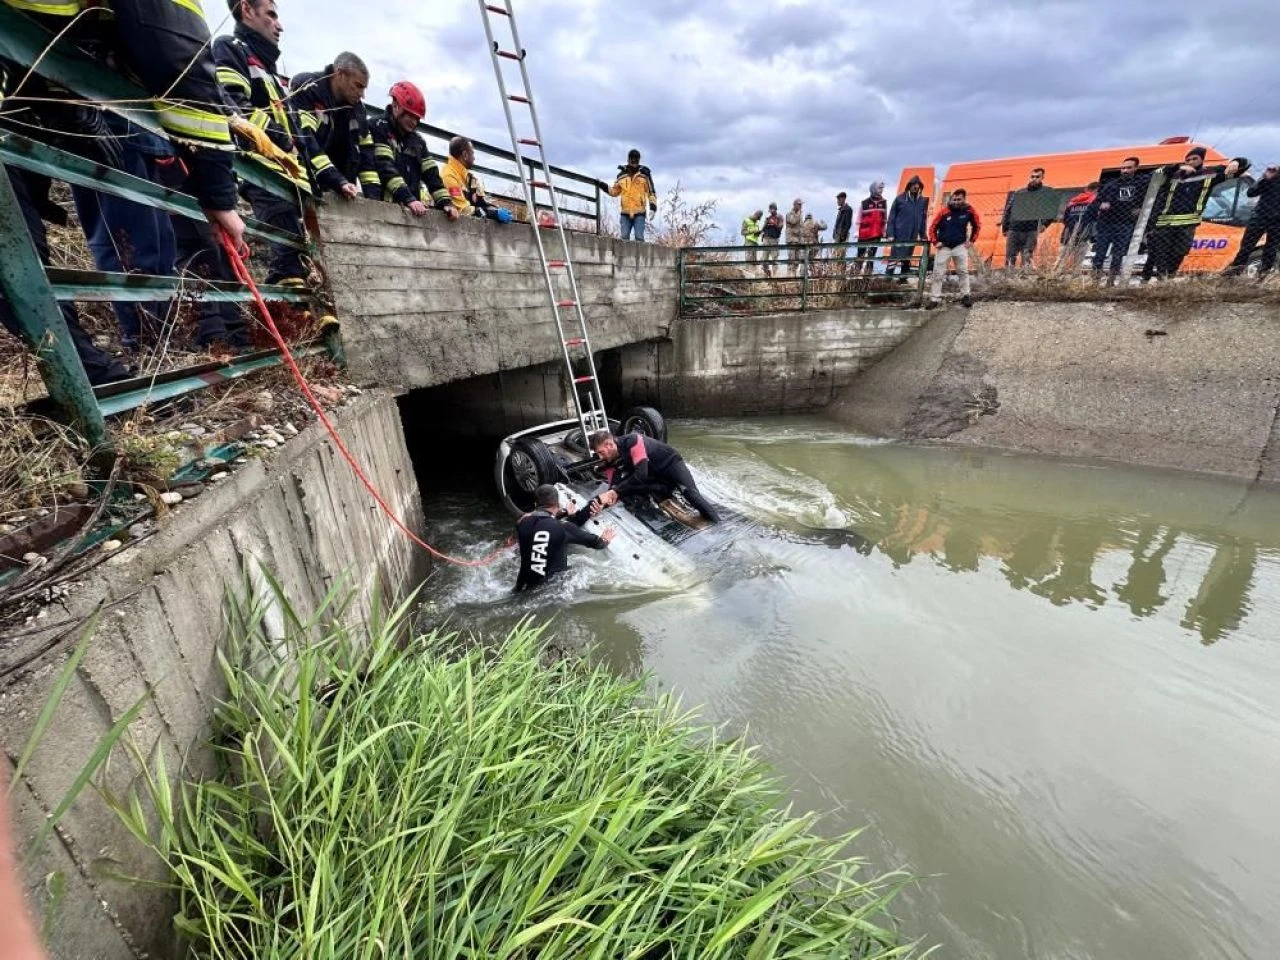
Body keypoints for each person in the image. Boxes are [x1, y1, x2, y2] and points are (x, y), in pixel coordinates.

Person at [0, 0, 245, 372]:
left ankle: (121, 363)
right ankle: (121, 362)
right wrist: (220, 197)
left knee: (154, 247)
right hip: (82, 95)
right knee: (126, 245)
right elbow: (179, 57)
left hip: (58, 88)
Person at [215, 0, 312, 286]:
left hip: (286, 172)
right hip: (261, 169)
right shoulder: (231, 48)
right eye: (271, 15)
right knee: (288, 256)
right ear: (247, 9)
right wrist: (283, 143)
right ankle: (293, 320)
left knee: (297, 253)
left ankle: (295, 319)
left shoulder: (268, 68)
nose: (279, 25)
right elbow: (237, 108)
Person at [1142, 147, 1248, 282]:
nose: (1191, 162)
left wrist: (1237, 162)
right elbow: (1153, 176)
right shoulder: (1173, 175)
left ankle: (1168, 275)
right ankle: (1163, 280)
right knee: (1161, 253)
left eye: (1194, 159)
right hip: (1164, 222)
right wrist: (1176, 168)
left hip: (1188, 223)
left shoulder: (1210, 174)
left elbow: (1242, 167)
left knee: (1180, 252)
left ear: (1202, 160)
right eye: (1188, 160)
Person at [291, 52, 381, 202]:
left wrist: (374, 200)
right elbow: (306, 140)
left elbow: (366, 158)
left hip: (342, 192)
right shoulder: (308, 87)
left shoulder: (357, 111)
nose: (362, 94)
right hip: (304, 185)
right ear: (339, 74)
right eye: (358, 86)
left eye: (364, 88)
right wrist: (338, 180)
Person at [370, 81, 459, 221]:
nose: (414, 122)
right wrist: (408, 198)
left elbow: (432, 175)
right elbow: (385, 167)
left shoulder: (418, 141)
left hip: (411, 211)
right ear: (395, 106)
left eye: (417, 118)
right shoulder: (378, 127)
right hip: (381, 209)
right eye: (410, 116)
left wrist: (445, 202)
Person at [589, 430, 720, 523]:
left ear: (609, 444)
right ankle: (663, 490)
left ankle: (718, 524)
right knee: (624, 489)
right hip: (656, 476)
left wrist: (615, 491)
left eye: (601, 452)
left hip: (670, 465)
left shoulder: (633, 440)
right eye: (598, 454)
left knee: (691, 495)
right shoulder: (610, 460)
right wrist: (603, 505)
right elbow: (613, 487)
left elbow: (641, 474)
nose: (600, 457)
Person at [514, 484, 615, 592]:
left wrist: (564, 513)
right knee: (579, 569)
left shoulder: (522, 523)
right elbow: (597, 544)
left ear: (535, 504)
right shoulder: (564, 527)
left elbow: (543, 522)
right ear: (557, 504)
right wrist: (605, 539)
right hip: (552, 590)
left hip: (522, 586)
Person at [1090, 156, 1148, 284]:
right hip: (1106, 223)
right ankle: (1095, 280)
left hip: (1125, 223)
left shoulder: (1141, 184)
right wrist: (1101, 205)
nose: (1125, 170)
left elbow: (1148, 201)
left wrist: (1140, 208)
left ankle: (1110, 281)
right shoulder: (1111, 185)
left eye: (1129, 168)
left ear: (1136, 168)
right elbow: (1095, 203)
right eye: (1123, 168)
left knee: (1118, 254)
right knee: (1100, 252)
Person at [927, 188, 981, 309]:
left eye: (959, 199)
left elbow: (977, 225)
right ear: (951, 199)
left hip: (960, 246)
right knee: (938, 273)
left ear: (963, 199)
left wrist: (972, 241)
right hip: (944, 247)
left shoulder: (969, 210)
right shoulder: (944, 212)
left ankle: (965, 296)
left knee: (963, 272)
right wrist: (935, 242)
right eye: (954, 199)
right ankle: (934, 298)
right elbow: (932, 228)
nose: (956, 201)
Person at [1223, 164, 1280, 280]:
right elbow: (1251, 193)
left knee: (1271, 249)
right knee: (1246, 247)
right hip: (1259, 217)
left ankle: (1263, 277)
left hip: (1277, 221)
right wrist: (1265, 178)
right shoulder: (1269, 178)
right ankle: (1233, 274)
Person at [441, 136, 513, 223]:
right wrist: (493, 214)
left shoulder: (471, 178)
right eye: (472, 154)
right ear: (465, 155)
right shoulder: (448, 175)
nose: (474, 158)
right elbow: (463, 209)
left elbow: (482, 203)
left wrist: (496, 210)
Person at [1001, 167, 1051, 269]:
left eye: (1037, 177)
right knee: (1010, 256)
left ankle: (1025, 280)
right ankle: (1008, 279)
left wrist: (1045, 224)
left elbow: (1050, 211)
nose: (1034, 179)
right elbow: (1008, 209)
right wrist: (1005, 227)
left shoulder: (1045, 194)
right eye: (1032, 176)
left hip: (1031, 230)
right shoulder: (1019, 192)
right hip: (1014, 228)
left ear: (1042, 178)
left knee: (1027, 256)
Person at [608, 149, 656, 241]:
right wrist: (602, 185)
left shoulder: (645, 175)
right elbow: (614, 192)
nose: (634, 162)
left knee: (639, 238)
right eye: (632, 159)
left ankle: (641, 255)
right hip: (625, 213)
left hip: (639, 212)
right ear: (628, 160)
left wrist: (653, 207)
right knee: (624, 238)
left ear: (639, 160)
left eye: (636, 159)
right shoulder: (621, 175)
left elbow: (651, 192)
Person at [886, 175, 929, 279]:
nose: (915, 187)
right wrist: (890, 233)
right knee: (894, 256)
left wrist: (923, 235)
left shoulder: (922, 201)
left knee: (907, 256)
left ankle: (903, 278)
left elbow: (923, 219)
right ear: (909, 186)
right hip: (899, 234)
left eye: (917, 185)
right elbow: (891, 217)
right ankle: (887, 279)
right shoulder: (900, 199)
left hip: (913, 234)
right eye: (913, 184)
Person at [1058, 181, 1098, 268]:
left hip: (1068, 233)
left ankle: (1055, 274)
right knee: (1078, 261)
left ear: (1086, 189)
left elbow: (1065, 219)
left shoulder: (1072, 201)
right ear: (1096, 190)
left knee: (1061, 259)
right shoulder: (1095, 201)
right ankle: (1075, 275)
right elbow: (1096, 218)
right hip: (1084, 233)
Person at [855, 181, 888, 276]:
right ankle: (856, 275)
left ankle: (867, 277)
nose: (881, 190)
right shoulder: (864, 203)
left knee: (871, 257)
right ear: (873, 189)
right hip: (864, 234)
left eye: (882, 188)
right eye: (879, 188)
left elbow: (884, 219)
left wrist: (884, 231)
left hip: (876, 234)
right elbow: (858, 218)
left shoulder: (883, 203)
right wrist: (857, 231)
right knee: (860, 256)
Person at [761, 202, 784, 276]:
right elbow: (763, 228)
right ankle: (766, 274)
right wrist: (767, 223)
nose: (771, 210)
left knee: (775, 258)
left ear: (775, 209)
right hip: (766, 239)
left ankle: (775, 276)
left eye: (773, 209)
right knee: (764, 259)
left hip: (774, 240)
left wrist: (774, 224)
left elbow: (780, 227)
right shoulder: (768, 218)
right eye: (770, 209)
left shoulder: (779, 217)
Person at [784, 198, 804, 273]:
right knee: (791, 259)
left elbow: (801, 226)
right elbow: (793, 221)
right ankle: (789, 276)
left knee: (798, 260)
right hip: (791, 240)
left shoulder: (800, 214)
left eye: (801, 204)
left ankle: (794, 275)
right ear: (794, 205)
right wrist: (798, 215)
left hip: (798, 240)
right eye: (799, 204)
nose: (800, 206)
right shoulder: (789, 214)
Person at [832, 191, 853, 260]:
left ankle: (840, 270)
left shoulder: (848, 209)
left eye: (838, 199)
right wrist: (834, 234)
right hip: (837, 236)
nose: (837, 201)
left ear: (843, 199)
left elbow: (848, 224)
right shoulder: (841, 210)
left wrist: (843, 236)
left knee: (841, 256)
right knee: (836, 256)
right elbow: (837, 224)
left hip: (842, 237)